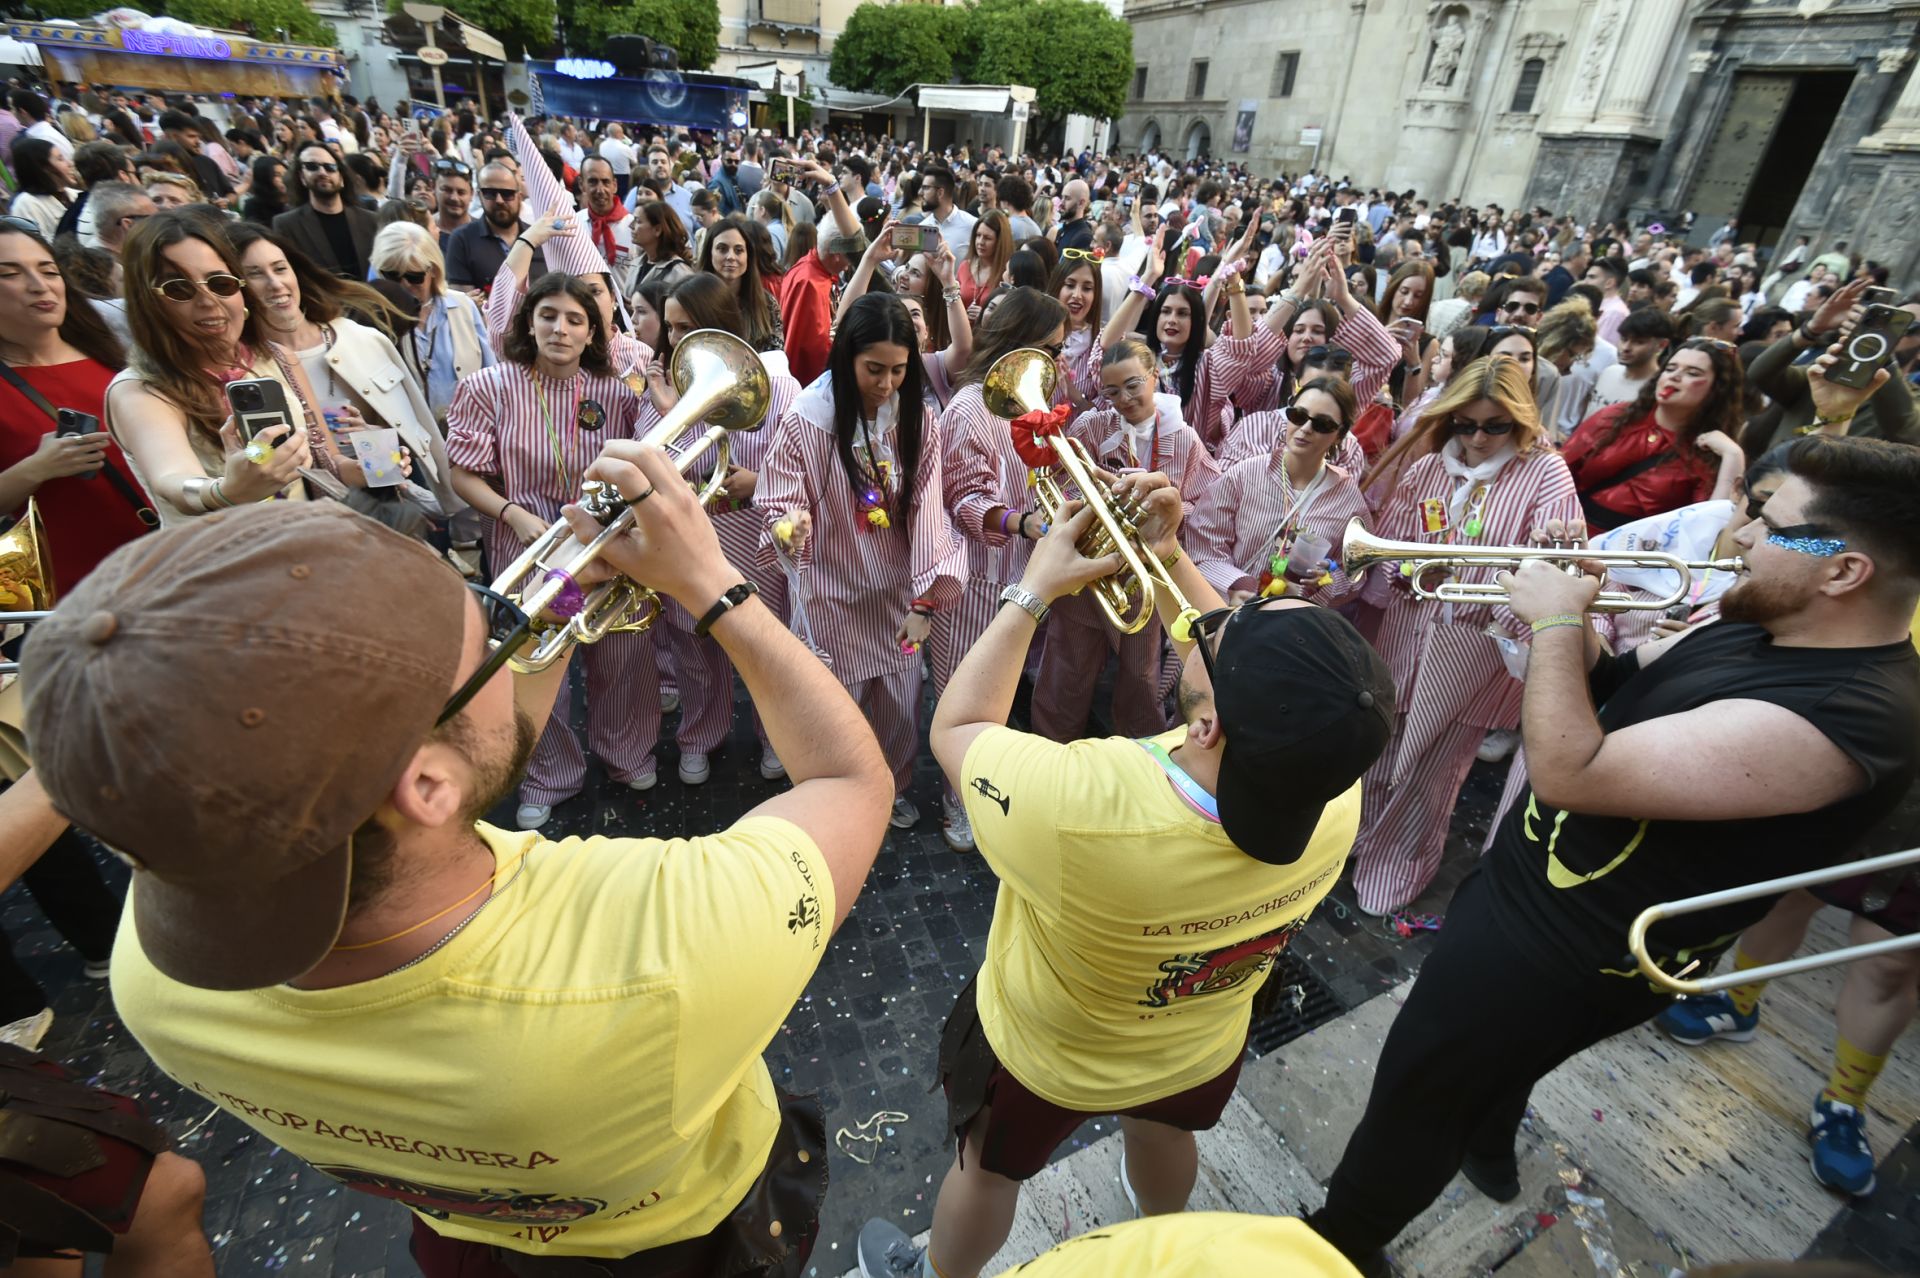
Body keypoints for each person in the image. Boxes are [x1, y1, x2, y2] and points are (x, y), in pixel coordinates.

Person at [21, 436, 895, 1270]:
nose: (497, 620)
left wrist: (561, 596)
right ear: (424, 787)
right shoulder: (658, 953)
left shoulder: (154, 966)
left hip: (467, 1236)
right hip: (688, 1242)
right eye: (481, 622)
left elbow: (466, 753)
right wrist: (714, 584)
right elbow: (852, 786)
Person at [1307, 423, 1920, 1275]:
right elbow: (1618, 696)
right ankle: (1485, 1141)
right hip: (1531, 892)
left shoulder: (1850, 715)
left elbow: (1573, 768)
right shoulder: (1770, 617)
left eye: (1771, 525)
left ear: (1844, 569)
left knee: (1415, 1092)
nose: (1738, 535)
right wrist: (1584, 618)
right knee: (1476, 1078)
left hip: (1565, 956)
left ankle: (1337, 1243)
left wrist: (1556, 623)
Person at [854, 471, 1394, 1278]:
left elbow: (958, 726)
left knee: (989, 1168)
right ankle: (1159, 1238)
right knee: (1167, 1134)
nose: (1217, 615)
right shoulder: (1336, 787)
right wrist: (1168, 554)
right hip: (1200, 1040)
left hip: (1049, 1051)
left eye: (1236, 624)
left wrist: (1032, 590)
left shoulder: (1084, 805)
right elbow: (1235, 673)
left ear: (1207, 726)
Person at [1346, 356, 1580, 916]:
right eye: (1465, 423)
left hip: (1477, 646)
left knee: (1436, 767)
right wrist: (1401, 570)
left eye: (1494, 425)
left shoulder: (1546, 473)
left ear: (1519, 420)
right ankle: (1355, 840)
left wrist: (1552, 547)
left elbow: (1557, 572)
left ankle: (1398, 862)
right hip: (1408, 628)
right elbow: (1395, 540)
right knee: (1380, 745)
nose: (1477, 437)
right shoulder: (1428, 470)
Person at [445, 272, 657, 828]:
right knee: (540, 667)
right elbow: (462, 473)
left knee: (621, 657)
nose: (560, 329)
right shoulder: (491, 386)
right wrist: (511, 513)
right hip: (531, 552)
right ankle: (549, 774)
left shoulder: (615, 391)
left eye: (574, 320)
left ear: (592, 333)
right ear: (529, 321)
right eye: (548, 315)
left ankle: (626, 754)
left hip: (607, 553)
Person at [757, 293, 967, 830]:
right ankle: (836, 796)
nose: (887, 383)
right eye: (874, 369)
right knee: (834, 706)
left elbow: (928, 511)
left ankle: (890, 786)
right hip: (830, 593)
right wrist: (790, 525)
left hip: (899, 596)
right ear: (847, 356)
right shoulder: (808, 418)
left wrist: (925, 601)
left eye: (899, 370)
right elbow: (781, 499)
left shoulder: (918, 416)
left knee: (900, 705)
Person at [1030, 336, 1221, 744]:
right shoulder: (1090, 426)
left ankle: (1142, 762)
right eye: (1111, 391)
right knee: (1067, 671)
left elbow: (1206, 504)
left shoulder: (1184, 439)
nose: (1124, 399)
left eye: (1134, 385)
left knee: (1141, 680)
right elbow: (1064, 493)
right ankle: (1050, 754)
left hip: (1143, 579)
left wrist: (1166, 509)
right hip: (1087, 574)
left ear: (1155, 377)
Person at [104, 211, 334, 524]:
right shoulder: (140, 390)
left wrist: (366, 465)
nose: (208, 300)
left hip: (302, 547)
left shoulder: (277, 357)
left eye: (221, 283)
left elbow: (305, 460)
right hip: (218, 562)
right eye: (180, 289)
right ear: (148, 303)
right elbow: (172, 478)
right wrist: (224, 492)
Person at [229, 223, 457, 523]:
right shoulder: (243, 368)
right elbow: (256, 461)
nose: (274, 283)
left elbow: (405, 447)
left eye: (280, 268)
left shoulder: (362, 339)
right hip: (303, 523)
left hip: (388, 510)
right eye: (255, 274)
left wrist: (381, 453)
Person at [0, 220, 153, 592]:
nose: (40, 285)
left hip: (165, 558)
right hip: (77, 589)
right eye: (10, 274)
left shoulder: (114, 356)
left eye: (48, 270)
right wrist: (37, 468)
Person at [1187, 375, 1371, 609]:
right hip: (1227, 613)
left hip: (1293, 626)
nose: (1305, 429)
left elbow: (1355, 574)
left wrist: (1324, 583)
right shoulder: (1247, 473)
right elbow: (1202, 543)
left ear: (1340, 434)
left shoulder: (1348, 500)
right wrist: (1236, 585)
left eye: (1322, 424)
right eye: (1298, 416)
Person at [1563, 337, 1746, 530]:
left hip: (1633, 554)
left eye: (1692, 373)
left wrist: (1733, 456)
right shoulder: (1616, 417)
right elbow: (1561, 471)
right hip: (1571, 533)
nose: (1674, 376)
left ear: (1717, 389)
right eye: (1670, 368)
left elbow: (1706, 529)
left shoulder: (1709, 451)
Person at [1743, 278, 1920, 452]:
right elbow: (1761, 374)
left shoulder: (1910, 402)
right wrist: (1812, 329)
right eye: (1891, 322)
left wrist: (1879, 356)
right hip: (1772, 477)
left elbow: (1907, 431)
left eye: (1906, 326)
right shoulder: (1831, 371)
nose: (1890, 332)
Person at [370, 221, 493, 422]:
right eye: (392, 276)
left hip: (468, 436)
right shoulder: (374, 320)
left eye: (414, 276)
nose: (404, 285)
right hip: (408, 441)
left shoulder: (462, 307)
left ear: (433, 270)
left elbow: (490, 375)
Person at [777, 160, 867, 385]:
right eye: (849, 257)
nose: (849, 265)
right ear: (836, 253)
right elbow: (813, 348)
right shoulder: (810, 282)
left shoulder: (816, 270)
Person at [274, 143, 377, 281]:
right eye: (312, 166)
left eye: (330, 167)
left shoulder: (370, 220)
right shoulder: (286, 225)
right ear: (302, 178)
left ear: (341, 179)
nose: (322, 173)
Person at [444, 161, 537, 294]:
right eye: (490, 193)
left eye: (507, 194)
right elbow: (465, 303)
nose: (499, 200)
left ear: (519, 196)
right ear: (479, 195)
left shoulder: (537, 238)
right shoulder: (462, 239)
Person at [698, 213, 785, 354]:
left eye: (739, 250)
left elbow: (775, 356)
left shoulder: (767, 304)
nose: (731, 257)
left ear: (748, 256)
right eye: (722, 249)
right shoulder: (693, 299)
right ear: (709, 253)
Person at [1589, 305, 1671, 411]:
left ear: (1661, 345)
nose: (1626, 347)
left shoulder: (1656, 390)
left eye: (1639, 342)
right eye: (1624, 339)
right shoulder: (1609, 372)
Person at [8, 138, 81, 240]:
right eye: (60, 159)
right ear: (44, 168)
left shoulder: (74, 194)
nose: (69, 164)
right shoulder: (26, 205)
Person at [631, 199, 695, 292]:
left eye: (638, 221)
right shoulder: (636, 263)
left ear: (657, 230)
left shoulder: (680, 274)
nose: (631, 226)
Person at [960, 209, 1012, 317]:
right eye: (978, 235)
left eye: (987, 238)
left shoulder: (1007, 273)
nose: (980, 242)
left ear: (999, 242)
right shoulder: (965, 266)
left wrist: (987, 315)